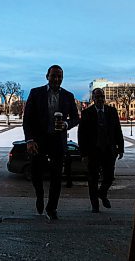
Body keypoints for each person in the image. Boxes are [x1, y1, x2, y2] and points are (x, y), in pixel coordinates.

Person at [23, 65, 79, 220]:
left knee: (56, 177)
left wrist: (67, 124)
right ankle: (40, 195)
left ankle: (52, 207)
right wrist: (29, 140)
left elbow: (75, 118)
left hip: (57, 141)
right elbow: (27, 119)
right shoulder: (36, 93)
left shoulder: (68, 96)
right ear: (47, 76)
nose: (57, 79)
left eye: (60, 76)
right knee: (36, 173)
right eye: (54, 76)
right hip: (39, 141)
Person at [78, 88, 124, 213]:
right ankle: (95, 205)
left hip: (109, 151)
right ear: (93, 99)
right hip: (93, 152)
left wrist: (121, 148)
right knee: (92, 179)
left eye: (101, 96)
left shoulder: (112, 111)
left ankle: (102, 193)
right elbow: (81, 134)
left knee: (109, 177)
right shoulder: (87, 113)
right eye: (97, 97)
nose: (100, 99)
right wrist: (83, 154)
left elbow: (117, 130)